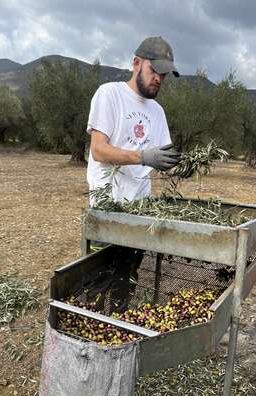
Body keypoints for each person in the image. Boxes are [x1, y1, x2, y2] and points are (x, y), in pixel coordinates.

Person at [86, 36, 181, 311]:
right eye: (155, 71)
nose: (159, 79)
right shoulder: (109, 94)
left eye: (164, 75)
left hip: (140, 209)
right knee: (98, 276)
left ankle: (118, 322)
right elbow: (99, 151)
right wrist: (142, 156)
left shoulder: (158, 112)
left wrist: (178, 162)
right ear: (137, 63)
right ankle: (90, 327)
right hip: (108, 208)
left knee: (127, 276)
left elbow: (163, 154)